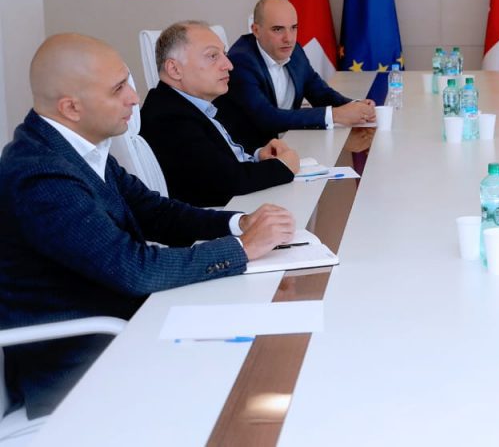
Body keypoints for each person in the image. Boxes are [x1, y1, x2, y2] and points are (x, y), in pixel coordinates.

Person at [0, 33, 296, 418]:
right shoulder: (40, 176)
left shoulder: (78, 148)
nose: (134, 98)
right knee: (259, 377)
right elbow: (133, 269)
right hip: (82, 363)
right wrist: (242, 249)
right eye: (117, 89)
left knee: (271, 346)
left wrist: (239, 223)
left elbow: (156, 213)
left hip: (130, 321)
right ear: (71, 107)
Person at [140, 20, 299, 207]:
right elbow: (228, 183)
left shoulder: (197, 103)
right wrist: (283, 166)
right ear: (175, 69)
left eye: (224, 54)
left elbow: (218, 159)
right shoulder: (168, 118)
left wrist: (258, 155)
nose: (229, 65)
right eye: (213, 56)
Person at [215, 0, 375, 151]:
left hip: (291, 141)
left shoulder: (294, 50)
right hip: (251, 153)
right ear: (256, 30)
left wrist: (355, 106)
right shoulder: (240, 62)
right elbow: (267, 118)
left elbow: (319, 92)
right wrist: (335, 115)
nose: (289, 38)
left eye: (293, 28)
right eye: (278, 29)